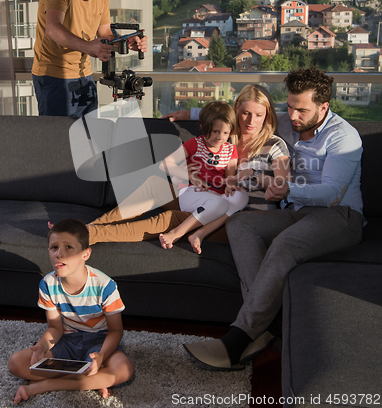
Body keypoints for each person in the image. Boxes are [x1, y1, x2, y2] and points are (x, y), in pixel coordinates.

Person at [180, 67, 364, 370]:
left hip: (338, 215)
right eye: (289, 106)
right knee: (240, 224)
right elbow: (246, 110)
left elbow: (332, 192)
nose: (292, 115)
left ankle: (238, 339)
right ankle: (269, 329)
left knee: (285, 244)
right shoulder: (291, 118)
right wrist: (190, 110)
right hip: (297, 212)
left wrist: (285, 188)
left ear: (323, 107)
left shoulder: (344, 137)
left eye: (301, 109)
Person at [86, 85, 290, 248]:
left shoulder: (274, 145)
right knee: (156, 185)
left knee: (171, 219)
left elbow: (283, 186)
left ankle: (92, 235)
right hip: (207, 197)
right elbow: (213, 116)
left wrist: (254, 175)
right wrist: (188, 113)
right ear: (236, 109)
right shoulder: (226, 136)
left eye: (259, 115)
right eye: (246, 113)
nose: (251, 121)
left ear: (267, 116)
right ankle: (96, 224)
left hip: (240, 219)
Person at [8, 219, 134, 404]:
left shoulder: (105, 286)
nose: (59, 254)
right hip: (66, 341)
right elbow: (55, 328)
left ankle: (43, 386)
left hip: (100, 342)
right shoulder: (47, 285)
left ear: (85, 254)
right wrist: (42, 347)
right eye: (54, 248)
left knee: (124, 370)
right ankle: (92, 380)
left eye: (68, 247)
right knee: (16, 363)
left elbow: (116, 331)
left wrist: (101, 357)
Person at [32, 0, 147, 117]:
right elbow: (53, 28)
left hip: (84, 75)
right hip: (54, 75)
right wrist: (87, 47)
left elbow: (104, 33)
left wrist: (127, 41)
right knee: (58, 140)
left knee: (86, 137)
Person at [158, 101, 249, 254]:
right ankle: (177, 232)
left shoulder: (230, 149)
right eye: (215, 131)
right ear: (203, 127)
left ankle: (200, 234)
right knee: (219, 203)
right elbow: (165, 164)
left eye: (225, 133)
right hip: (191, 193)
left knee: (242, 196)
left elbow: (229, 179)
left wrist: (230, 185)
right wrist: (191, 177)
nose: (220, 137)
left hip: (216, 198)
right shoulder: (195, 144)